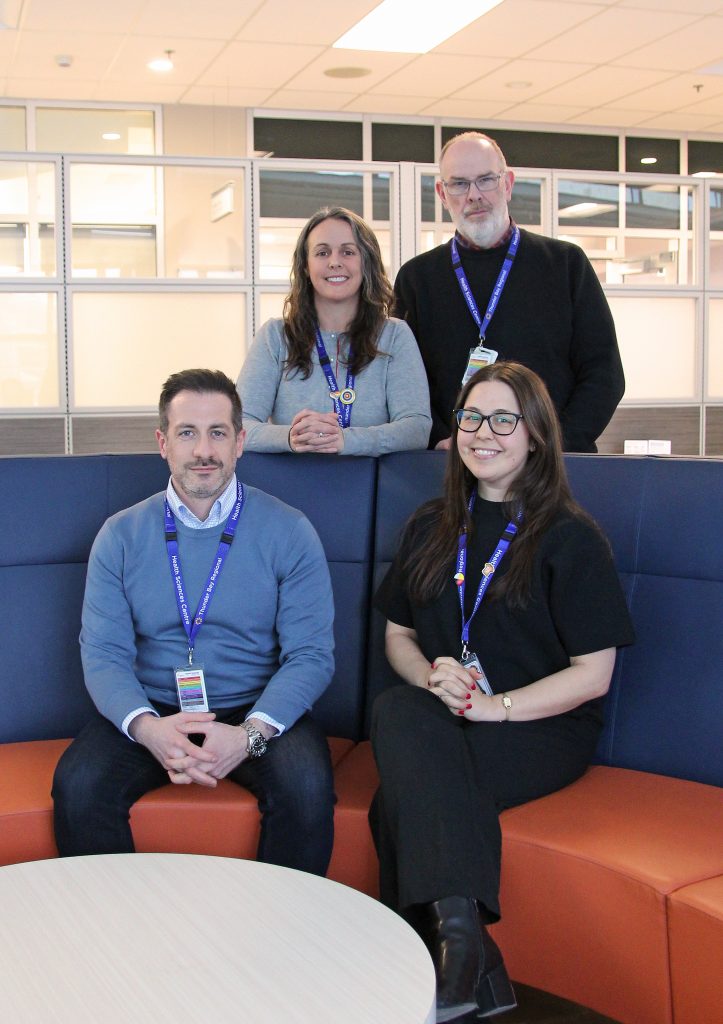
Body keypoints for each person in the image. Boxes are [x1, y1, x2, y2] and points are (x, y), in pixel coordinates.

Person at [370, 361, 634, 1022]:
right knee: (397, 705)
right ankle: (466, 955)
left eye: (502, 420)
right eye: (470, 417)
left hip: (540, 726)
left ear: (535, 435)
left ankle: (458, 952)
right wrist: (432, 675)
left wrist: (495, 707)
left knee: (399, 800)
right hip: (445, 714)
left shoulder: (571, 537)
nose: (482, 432)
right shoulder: (431, 525)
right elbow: (398, 635)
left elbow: (593, 674)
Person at [53, 369, 335, 876]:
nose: (204, 450)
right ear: (163, 443)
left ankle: (283, 928)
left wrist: (247, 736)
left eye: (217, 433)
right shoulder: (120, 536)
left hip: (255, 707)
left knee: (307, 789)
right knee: (79, 786)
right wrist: (149, 730)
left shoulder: (290, 530)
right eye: (187, 433)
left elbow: (311, 655)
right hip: (155, 707)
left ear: (240, 442)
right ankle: (114, 925)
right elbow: (104, 654)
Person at [393, 131, 625, 453]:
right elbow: (404, 382)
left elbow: (604, 373)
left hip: (551, 462)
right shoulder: (417, 278)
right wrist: (444, 441)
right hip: (455, 462)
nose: (474, 195)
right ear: (442, 194)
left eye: (486, 180)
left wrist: (553, 445)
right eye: (459, 184)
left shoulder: (566, 264)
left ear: (508, 184)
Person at [237, 206, 431, 455]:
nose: (335, 262)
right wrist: (291, 436)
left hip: (369, 479)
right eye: (322, 252)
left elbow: (417, 428)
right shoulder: (275, 336)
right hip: (291, 477)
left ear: (366, 262)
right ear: (305, 266)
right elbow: (239, 425)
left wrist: (346, 440)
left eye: (348, 252)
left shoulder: (394, 336)